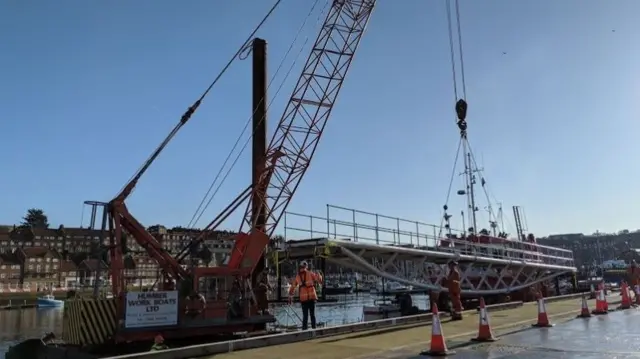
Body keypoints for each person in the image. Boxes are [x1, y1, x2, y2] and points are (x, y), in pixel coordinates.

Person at [288, 261, 323, 330]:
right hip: (312, 298)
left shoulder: (298, 276)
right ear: (306, 267)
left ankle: (304, 330)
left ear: (300, 267)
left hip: (303, 299)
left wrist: (290, 295)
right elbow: (319, 280)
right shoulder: (310, 273)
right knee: (312, 315)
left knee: (305, 316)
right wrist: (319, 274)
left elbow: (293, 287)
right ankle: (314, 329)